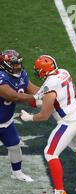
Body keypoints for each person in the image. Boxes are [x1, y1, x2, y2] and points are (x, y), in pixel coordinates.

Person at [20, 55, 76, 194]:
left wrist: (29, 118)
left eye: (38, 70)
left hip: (69, 122)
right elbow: (49, 97)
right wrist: (34, 98)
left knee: (50, 153)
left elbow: (44, 114)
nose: (37, 72)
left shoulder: (50, 86)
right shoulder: (63, 72)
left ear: (44, 71)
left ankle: (59, 192)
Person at [0, 49, 40, 182]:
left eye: (18, 64)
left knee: (14, 146)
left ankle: (17, 173)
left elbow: (34, 90)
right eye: (15, 64)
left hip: (6, 122)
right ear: (5, 65)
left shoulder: (21, 74)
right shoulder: (1, 78)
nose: (18, 66)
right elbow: (13, 96)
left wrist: (51, 92)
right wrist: (37, 98)